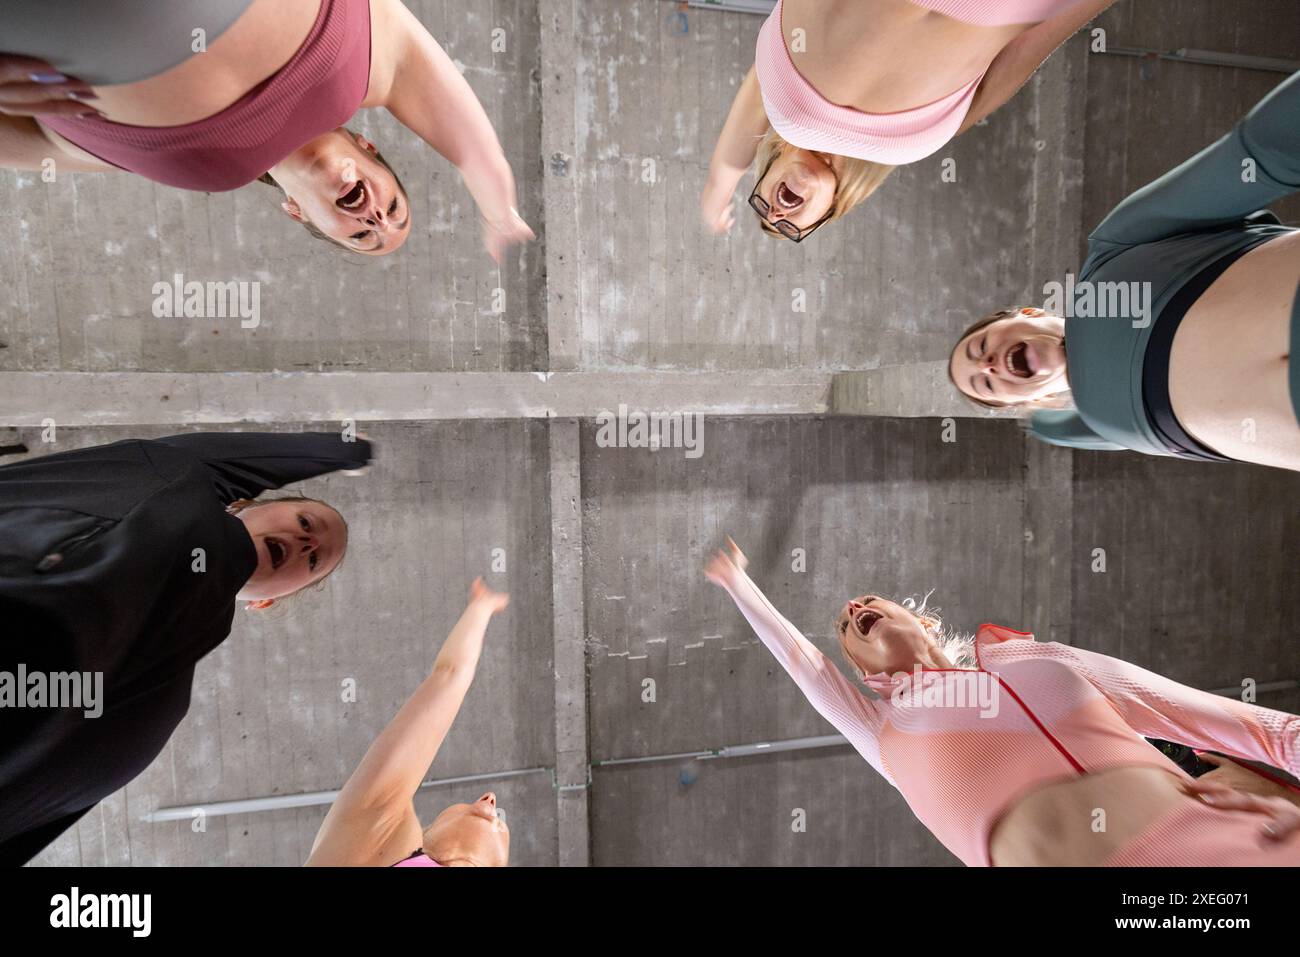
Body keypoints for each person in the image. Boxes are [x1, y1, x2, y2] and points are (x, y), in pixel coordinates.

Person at [704, 539, 1300, 865]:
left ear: (924, 618)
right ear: (861, 672)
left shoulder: (1045, 663)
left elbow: (1259, 728)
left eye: (865, 600)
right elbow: (808, 669)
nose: (853, 610)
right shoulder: (889, 734)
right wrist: (741, 587)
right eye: (842, 625)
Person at [0, 430, 372, 865]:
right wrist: (343, 448)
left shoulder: (157, 707)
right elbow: (223, 461)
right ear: (243, 504)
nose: (308, 543)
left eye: (313, 560)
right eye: (306, 524)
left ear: (266, 600)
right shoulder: (177, 490)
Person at [948, 70, 1300, 471]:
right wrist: (1047, 423)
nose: (988, 365)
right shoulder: (1106, 426)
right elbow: (1060, 427)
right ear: (1024, 401)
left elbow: (1254, 157)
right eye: (986, 382)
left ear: (1027, 313)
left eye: (979, 349)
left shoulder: (1118, 249)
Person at [0, 0, 534, 258]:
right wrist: (498, 212)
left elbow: (20, 142)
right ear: (369, 149)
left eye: (365, 235)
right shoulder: (382, 68)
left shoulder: (199, 172)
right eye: (394, 208)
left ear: (300, 214)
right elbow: (476, 152)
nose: (375, 216)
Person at [701, 0, 1118, 240]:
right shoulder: (920, 140)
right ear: (833, 208)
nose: (775, 213)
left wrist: (719, 188)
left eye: (761, 205)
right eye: (790, 228)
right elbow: (1014, 63)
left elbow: (754, 96)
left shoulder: (782, 107)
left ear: (768, 161)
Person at [306, 578, 511, 867]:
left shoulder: (378, 827)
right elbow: (449, 677)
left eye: (502, 829)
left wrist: (481, 608)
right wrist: (481, 609)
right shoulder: (380, 829)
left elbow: (449, 676)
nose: (490, 799)